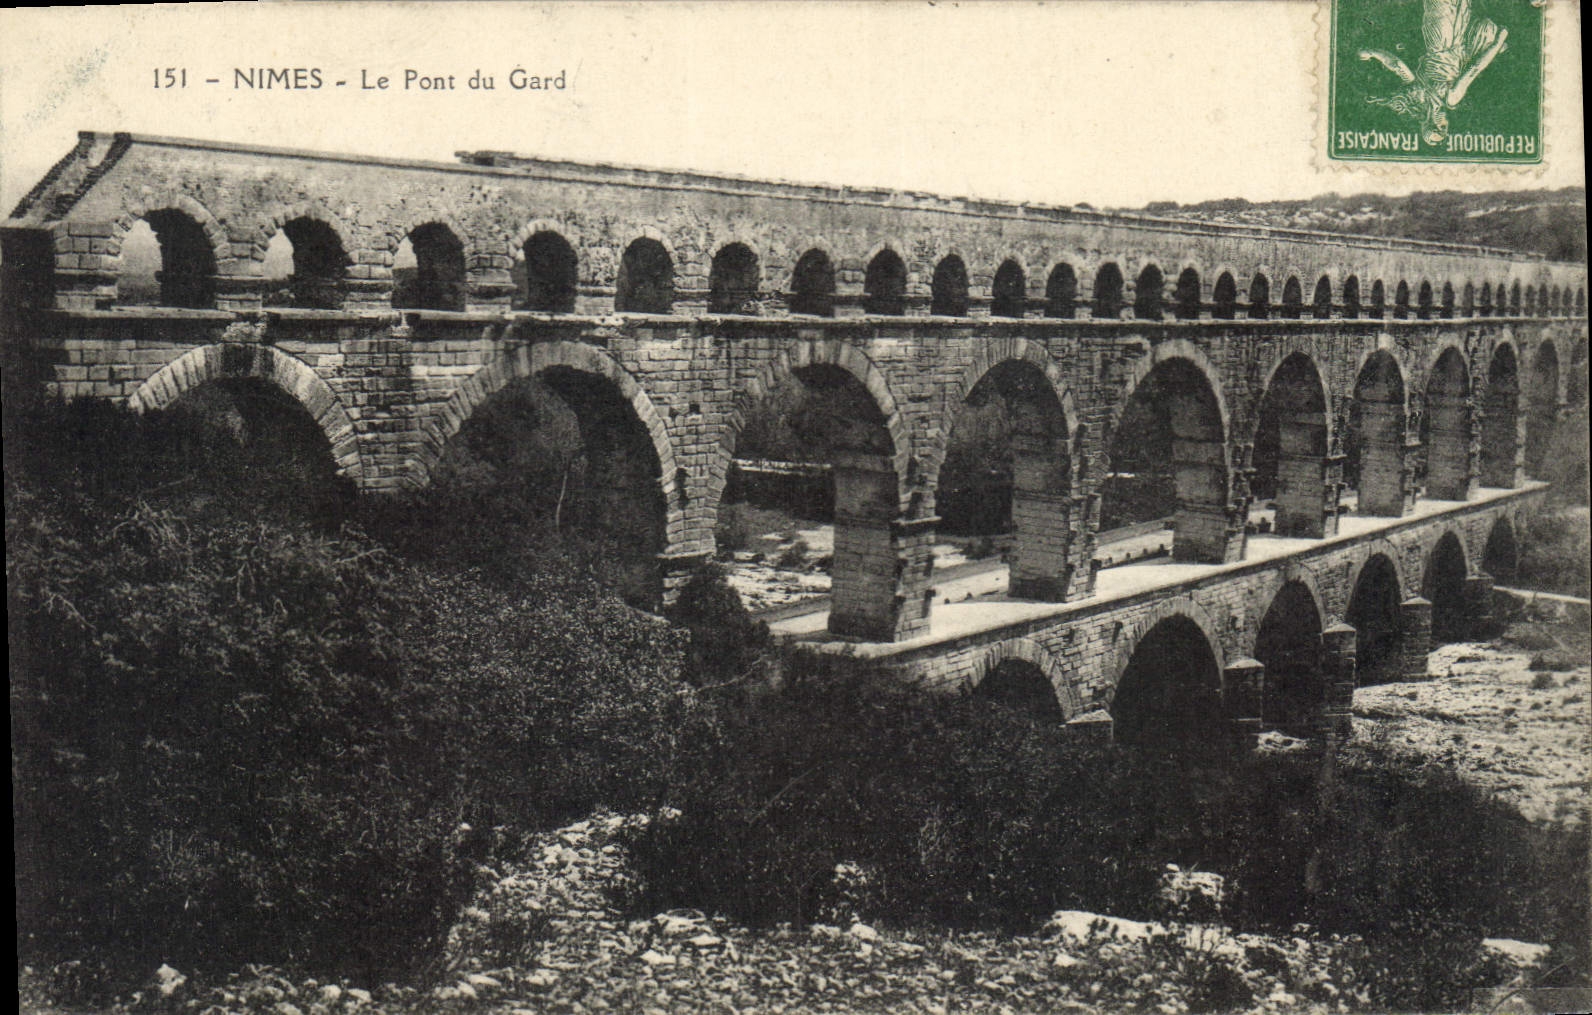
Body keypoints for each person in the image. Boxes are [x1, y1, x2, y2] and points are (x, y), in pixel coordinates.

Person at [1357, 0, 1509, 145]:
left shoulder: (1420, 96)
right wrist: (1497, 42)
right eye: (1444, 127)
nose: (1443, 123)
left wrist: (1374, 53)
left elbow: (1397, 66)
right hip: (1455, 41)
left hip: (1440, 39)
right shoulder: (1449, 98)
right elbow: (1475, 67)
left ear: (1428, 124)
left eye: (1438, 127)